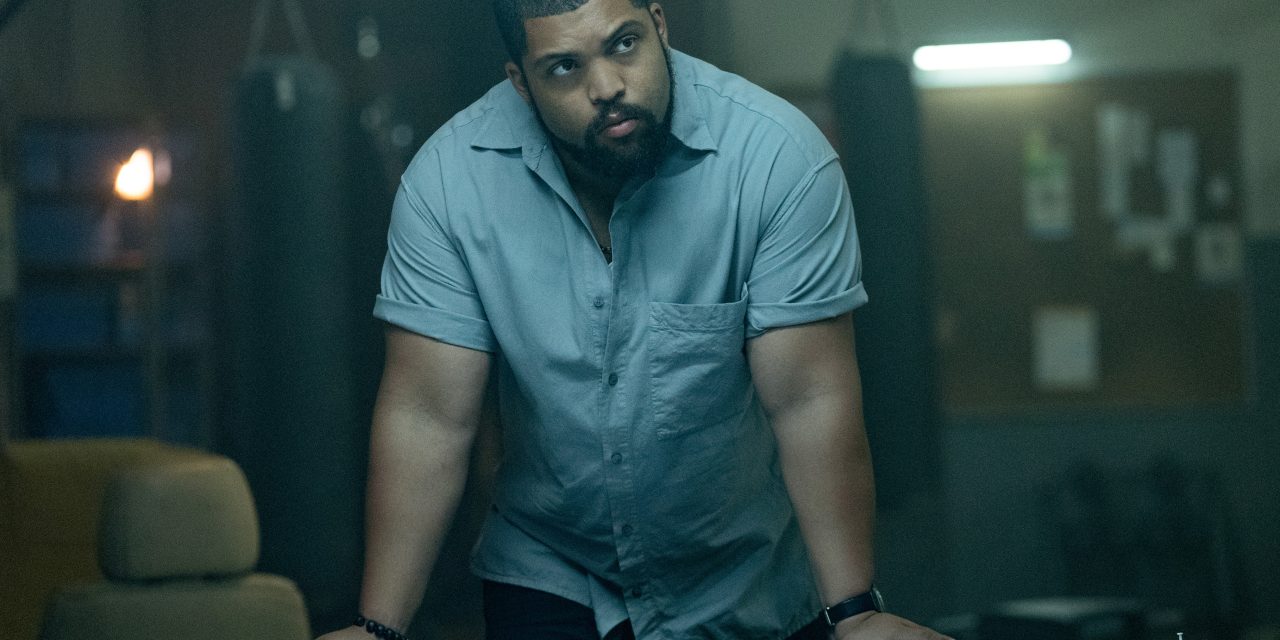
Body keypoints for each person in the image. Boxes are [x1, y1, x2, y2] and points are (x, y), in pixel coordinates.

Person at [320, 0, 950, 638]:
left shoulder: (775, 156)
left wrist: (853, 612)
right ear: (521, 82)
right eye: (564, 67)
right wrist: (378, 629)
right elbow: (429, 417)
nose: (606, 87)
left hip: (745, 579)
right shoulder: (448, 182)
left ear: (659, 24)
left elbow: (807, 399)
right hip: (550, 569)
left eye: (623, 44)